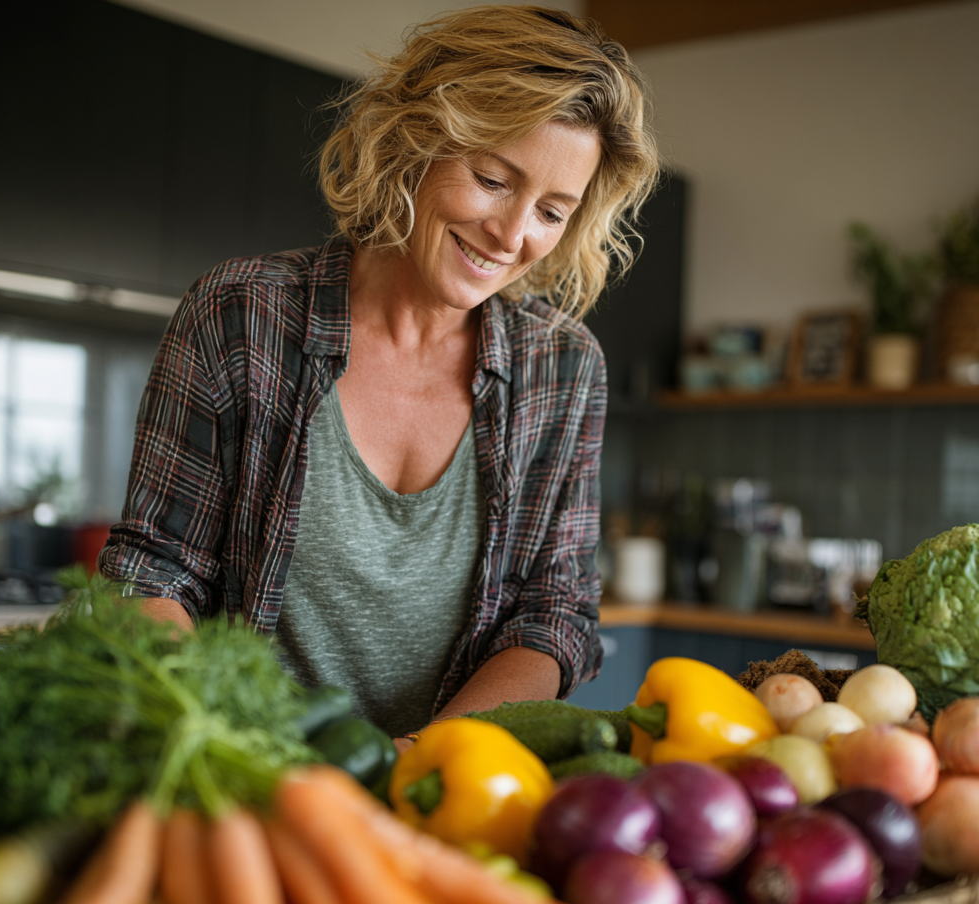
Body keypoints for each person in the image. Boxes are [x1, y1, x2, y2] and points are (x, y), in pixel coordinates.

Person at [99, 5, 658, 740]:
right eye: (492, 178)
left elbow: (553, 612)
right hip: (242, 781)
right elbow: (154, 569)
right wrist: (223, 747)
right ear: (414, 141)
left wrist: (421, 760)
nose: (514, 235)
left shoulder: (563, 365)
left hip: (450, 792)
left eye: (552, 211)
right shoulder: (243, 314)